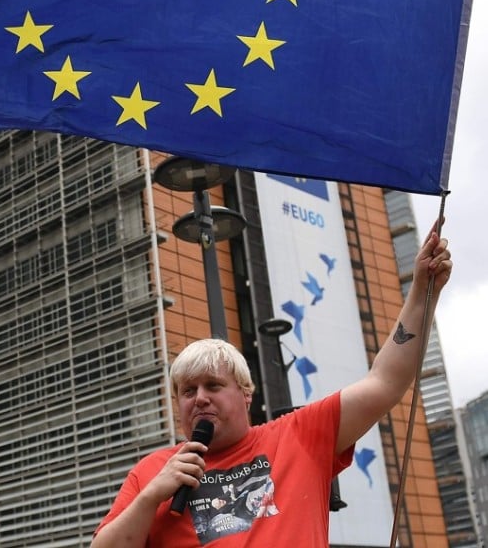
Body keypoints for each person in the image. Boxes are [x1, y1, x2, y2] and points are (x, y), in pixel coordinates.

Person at [91, 222, 452, 547]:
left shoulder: (299, 434)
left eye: (213, 386)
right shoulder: (151, 471)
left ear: (246, 394)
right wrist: (152, 495)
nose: (200, 398)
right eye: (188, 391)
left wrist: (422, 291)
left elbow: (385, 382)